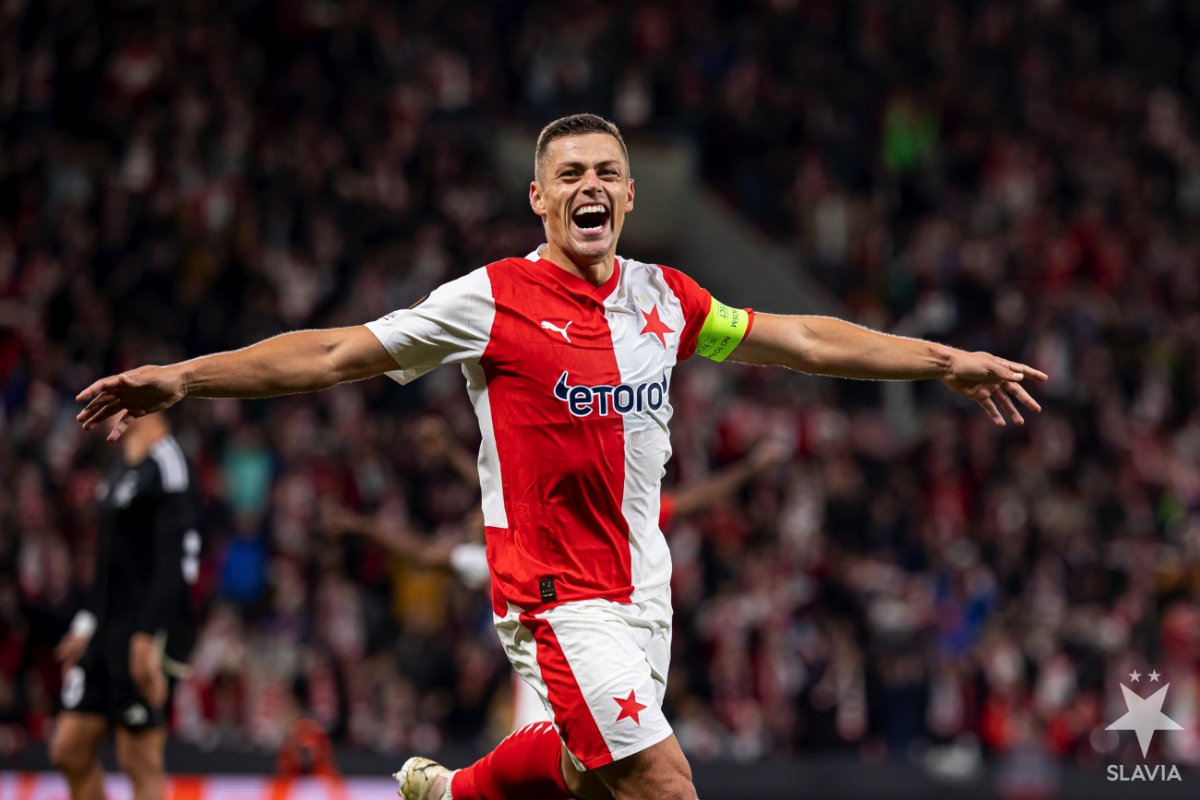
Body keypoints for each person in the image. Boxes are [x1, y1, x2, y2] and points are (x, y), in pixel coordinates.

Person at [74, 113, 1046, 800]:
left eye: (605, 172)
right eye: (569, 173)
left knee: (588, 774)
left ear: (627, 193)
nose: (589, 186)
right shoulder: (488, 300)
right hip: (552, 594)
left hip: (642, 594)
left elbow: (805, 340)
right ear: (539, 197)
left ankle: (455, 790)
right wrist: (188, 378)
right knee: (664, 783)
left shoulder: (671, 300)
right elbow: (334, 352)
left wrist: (942, 361)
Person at [50, 413, 201, 800]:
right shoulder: (121, 467)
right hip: (105, 631)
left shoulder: (167, 462)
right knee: (70, 749)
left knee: (139, 760)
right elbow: (106, 564)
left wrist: (148, 636)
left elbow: (179, 563)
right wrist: (86, 625)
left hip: (143, 633)